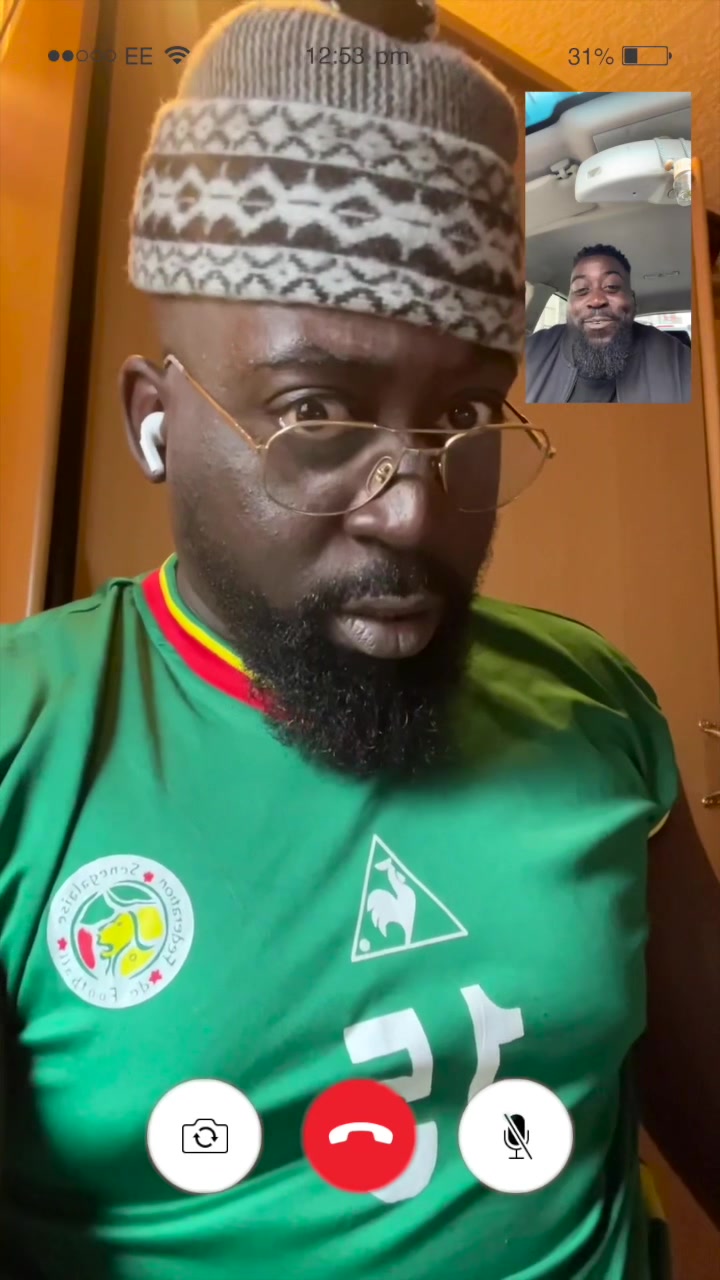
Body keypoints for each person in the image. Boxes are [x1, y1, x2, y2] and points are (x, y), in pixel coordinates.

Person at [0, 4, 718, 1279]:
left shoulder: (593, 705)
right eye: (316, 411)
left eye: (466, 413)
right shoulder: (25, 743)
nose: (413, 509)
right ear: (156, 420)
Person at [525, 245, 692, 403]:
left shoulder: (678, 362)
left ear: (633, 301)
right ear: (569, 305)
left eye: (612, 286)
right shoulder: (531, 352)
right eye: (581, 289)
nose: (596, 300)